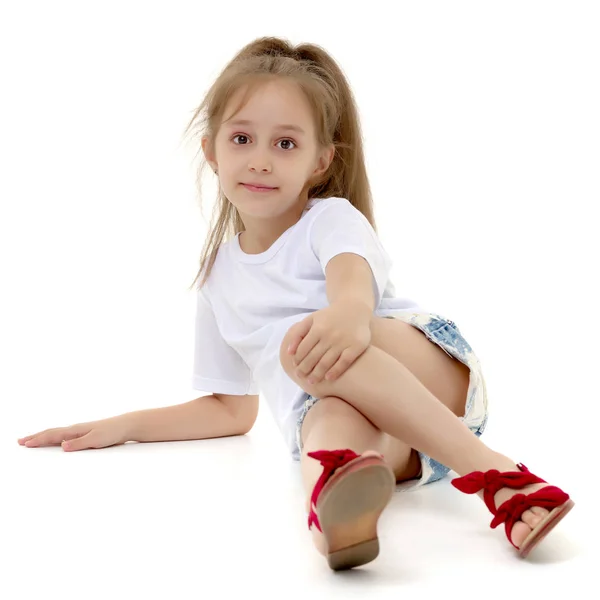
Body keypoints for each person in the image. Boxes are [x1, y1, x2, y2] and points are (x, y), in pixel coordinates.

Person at [17, 36, 573, 571]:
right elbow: (232, 411)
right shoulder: (217, 280)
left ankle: (501, 475)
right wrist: (124, 425)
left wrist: (348, 316)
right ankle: (336, 507)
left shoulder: (328, 222)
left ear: (320, 162)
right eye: (242, 139)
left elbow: (353, 290)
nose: (260, 160)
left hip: (428, 378)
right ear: (210, 149)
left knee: (304, 347)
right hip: (403, 439)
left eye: (285, 144)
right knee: (322, 424)